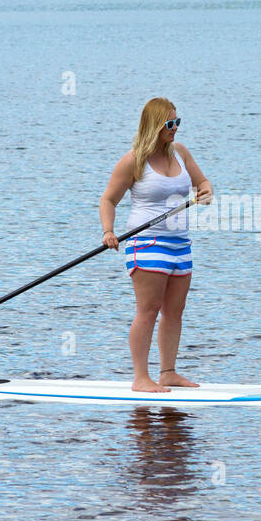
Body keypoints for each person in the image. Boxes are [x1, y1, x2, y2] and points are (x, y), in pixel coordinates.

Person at [99, 98, 213, 392]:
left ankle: (168, 373)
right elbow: (108, 200)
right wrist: (108, 231)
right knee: (148, 310)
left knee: (175, 312)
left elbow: (204, 184)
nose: (175, 129)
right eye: (169, 124)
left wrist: (205, 193)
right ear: (154, 126)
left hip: (180, 244)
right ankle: (141, 378)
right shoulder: (133, 160)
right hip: (146, 243)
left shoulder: (181, 153)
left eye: (178, 123)